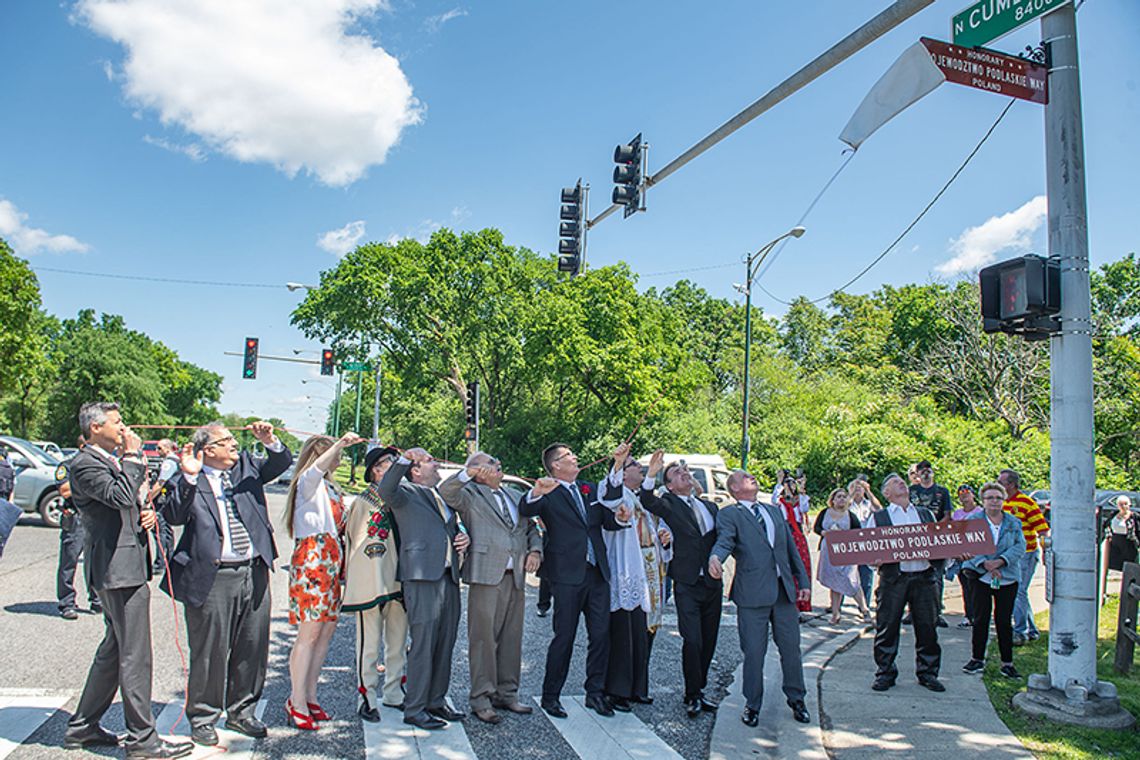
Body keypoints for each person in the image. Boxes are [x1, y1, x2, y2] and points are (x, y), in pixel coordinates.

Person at [63, 402, 192, 760]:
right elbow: (118, 495)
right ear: (94, 428)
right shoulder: (85, 463)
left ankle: (83, 725)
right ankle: (142, 741)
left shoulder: (107, 460)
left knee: (114, 649)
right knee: (135, 654)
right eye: (117, 423)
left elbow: (125, 501)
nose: (124, 428)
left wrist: (145, 509)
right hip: (116, 570)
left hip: (125, 564)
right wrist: (134, 456)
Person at [160, 421, 291, 746]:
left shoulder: (245, 468)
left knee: (252, 645)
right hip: (213, 577)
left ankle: (242, 710)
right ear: (208, 450)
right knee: (210, 651)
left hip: (253, 569)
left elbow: (281, 463)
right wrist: (189, 475)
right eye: (226, 440)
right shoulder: (189, 476)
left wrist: (270, 439)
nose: (234, 444)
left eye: (233, 440)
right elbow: (173, 515)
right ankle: (203, 716)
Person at [519, 442, 632, 720]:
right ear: (556, 464)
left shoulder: (589, 488)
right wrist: (536, 492)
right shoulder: (548, 490)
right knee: (564, 636)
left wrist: (620, 518)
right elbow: (526, 509)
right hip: (567, 574)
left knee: (601, 635)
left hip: (597, 573)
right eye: (569, 456)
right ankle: (551, 695)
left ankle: (595, 692)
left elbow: (606, 518)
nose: (575, 457)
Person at [439, 451, 542, 724]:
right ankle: (481, 698)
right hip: (486, 574)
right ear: (477, 470)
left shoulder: (513, 495)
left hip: (516, 574)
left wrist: (535, 551)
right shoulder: (470, 494)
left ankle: (507, 693)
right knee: (483, 638)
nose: (498, 467)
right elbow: (445, 491)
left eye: (497, 464)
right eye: (491, 465)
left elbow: (530, 527)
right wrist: (469, 473)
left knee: (512, 637)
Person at [709, 469, 811, 727]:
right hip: (752, 593)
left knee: (791, 649)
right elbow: (725, 541)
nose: (752, 477)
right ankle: (752, 704)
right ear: (734, 489)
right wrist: (715, 558)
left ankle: (797, 698)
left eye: (751, 476)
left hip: (784, 592)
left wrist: (804, 582)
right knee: (754, 652)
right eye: (744, 477)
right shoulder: (730, 514)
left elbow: (791, 549)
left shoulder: (774, 511)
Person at [378, 446, 470, 730]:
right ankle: (415, 707)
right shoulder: (405, 493)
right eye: (429, 461)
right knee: (424, 642)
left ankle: (436, 700)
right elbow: (386, 489)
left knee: (445, 641)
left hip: (448, 576)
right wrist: (405, 458)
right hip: (420, 577)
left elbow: (447, 530)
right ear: (415, 470)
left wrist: (462, 538)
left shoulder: (441, 496)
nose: (436, 464)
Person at [284, 432, 363, 730]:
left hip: (331, 560)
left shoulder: (331, 488)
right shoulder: (307, 482)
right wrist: (340, 443)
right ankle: (297, 699)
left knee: (325, 633)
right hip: (313, 561)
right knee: (309, 634)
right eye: (332, 452)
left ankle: (311, 695)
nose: (339, 457)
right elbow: (315, 470)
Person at [639, 450, 723, 717]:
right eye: (676, 473)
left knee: (709, 640)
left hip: (712, 583)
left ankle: (700, 688)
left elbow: (722, 539)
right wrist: (652, 473)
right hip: (687, 581)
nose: (684, 473)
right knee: (693, 639)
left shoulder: (710, 507)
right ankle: (692, 694)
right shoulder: (669, 503)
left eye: (686, 471)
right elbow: (647, 500)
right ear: (670, 485)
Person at [598, 447, 672, 712]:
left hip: (649, 567)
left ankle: (637, 687)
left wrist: (664, 539)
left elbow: (654, 521)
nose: (639, 468)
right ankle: (616, 690)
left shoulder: (640, 496)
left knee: (644, 631)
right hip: (626, 567)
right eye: (634, 465)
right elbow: (611, 500)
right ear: (620, 472)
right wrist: (618, 463)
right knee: (624, 633)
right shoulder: (610, 489)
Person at [343, 446, 407, 722]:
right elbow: (357, 545)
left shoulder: (402, 498)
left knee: (398, 642)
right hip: (372, 581)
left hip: (399, 581)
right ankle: (366, 696)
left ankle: (395, 692)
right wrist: (360, 583)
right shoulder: (363, 503)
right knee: (369, 645)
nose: (393, 466)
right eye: (388, 462)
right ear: (376, 471)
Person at [869, 473, 943, 693]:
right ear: (886, 493)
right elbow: (868, 549)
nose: (902, 483)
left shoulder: (926, 514)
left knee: (928, 627)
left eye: (903, 481)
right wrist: (875, 560)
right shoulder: (879, 517)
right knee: (887, 627)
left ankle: (928, 673)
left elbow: (940, 543)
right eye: (895, 483)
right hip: (894, 579)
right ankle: (885, 672)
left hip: (924, 577)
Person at [960, 482, 1026, 679]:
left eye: (998, 498)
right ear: (983, 500)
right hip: (981, 576)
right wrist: (985, 564)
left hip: (1006, 576)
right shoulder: (973, 520)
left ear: (1004, 500)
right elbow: (968, 545)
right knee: (980, 618)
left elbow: (1019, 547)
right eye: (990, 498)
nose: (994, 502)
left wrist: (1000, 562)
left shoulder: (1013, 523)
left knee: (1004, 620)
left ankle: (1007, 663)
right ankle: (977, 659)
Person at [999, 469, 1049, 646]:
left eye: (1001, 482)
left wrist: (1045, 551)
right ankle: (1031, 629)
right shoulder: (1001, 504)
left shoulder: (1027, 503)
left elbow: (1042, 529)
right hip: (1008, 555)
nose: (998, 485)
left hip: (1026, 553)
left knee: (1018, 591)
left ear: (1011, 484)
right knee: (1018, 591)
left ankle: (1020, 631)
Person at [56, 438, 101, 619]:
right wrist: (90, 485)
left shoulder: (99, 464)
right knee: (69, 560)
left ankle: (97, 600)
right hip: (75, 516)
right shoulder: (68, 465)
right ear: (83, 446)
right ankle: (66, 602)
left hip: (95, 517)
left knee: (95, 561)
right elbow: (65, 490)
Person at [813, 488, 871, 625]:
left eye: (844, 497)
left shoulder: (850, 515)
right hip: (828, 551)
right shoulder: (824, 512)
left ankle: (864, 609)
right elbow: (816, 528)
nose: (841, 499)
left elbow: (858, 532)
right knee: (834, 581)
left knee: (852, 580)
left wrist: (845, 535)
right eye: (838, 496)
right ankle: (835, 613)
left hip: (845, 551)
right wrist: (824, 533)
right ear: (832, 500)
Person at [909, 460, 952, 627]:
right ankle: (912, 612)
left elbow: (947, 514)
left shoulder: (942, 492)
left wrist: (935, 529)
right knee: (913, 573)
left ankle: (936, 612)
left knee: (936, 575)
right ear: (917, 474)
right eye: (922, 470)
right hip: (915, 538)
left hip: (936, 537)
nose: (926, 472)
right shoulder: (910, 491)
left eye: (928, 469)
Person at [774, 473, 812, 614]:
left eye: (792, 484)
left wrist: (802, 491)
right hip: (785, 533)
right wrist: (779, 483)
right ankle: (789, 600)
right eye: (788, 484)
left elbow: (804, 509)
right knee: (787, 567)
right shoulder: (780, 502)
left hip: (797, 535)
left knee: (800, 566)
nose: (790, 487)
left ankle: (802, 602)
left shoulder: (799, 502)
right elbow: (774, 500)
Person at [948, 485, 984, 628]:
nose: (964, 496)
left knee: (978, 587)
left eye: (967, 493)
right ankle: (968, 615)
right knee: (966, 587)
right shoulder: (957, 514)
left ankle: (980, 615)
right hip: (961, 556)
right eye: (961, 494)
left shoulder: (980, 512)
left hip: (977, 555)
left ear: (973, 495)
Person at [848, 477, 881, 606]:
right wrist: (851, 493)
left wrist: (868, 491)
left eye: (860, 488)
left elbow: (879, 508)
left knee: (866, 575)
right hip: (851, 541)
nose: (858, 490)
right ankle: (837, 605)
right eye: (855, 488)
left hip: (866, 540)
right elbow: (844, 507)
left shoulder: (868, 504)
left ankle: (865, 605)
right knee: (845, 574)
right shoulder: (848, 503)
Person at [148, 439, 179, 573]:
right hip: (169, 500)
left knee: (160, 531)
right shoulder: (176, 461)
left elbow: (160, 483)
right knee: (166, 530)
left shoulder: (169, 462)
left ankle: (161, 562)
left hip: (163, 500)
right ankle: (168, 560)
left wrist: (148, 499)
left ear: (167, 448)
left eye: (159, 448)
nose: (157, 451)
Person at [1105, 494, 1140, 572]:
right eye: (1121, 504)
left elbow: (1138, 531)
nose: (1123, 506)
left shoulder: (1134, 516)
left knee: (1130, 568)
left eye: (1125, 504)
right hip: (1115, 544)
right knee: (1115, 567)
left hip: (1129, 544)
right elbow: (1106, 526)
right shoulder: (1113, 515)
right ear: (1117, 505)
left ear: (1129, 504)